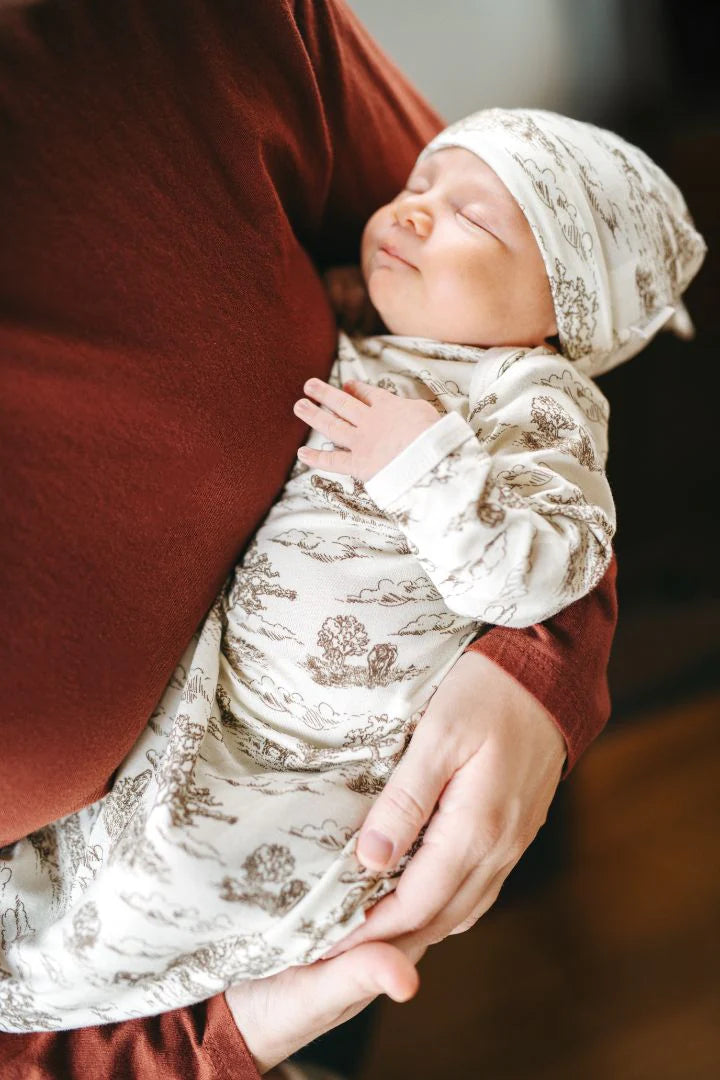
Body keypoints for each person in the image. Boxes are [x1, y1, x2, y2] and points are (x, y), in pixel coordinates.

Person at [1, 2, 624, 1077]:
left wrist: (541, 665)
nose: (419, 214)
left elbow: (538, 345)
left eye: (451, 208)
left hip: (347, 859)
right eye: (425, 201)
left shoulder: (167, 29)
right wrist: (215, 1042)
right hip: (132, 1001)